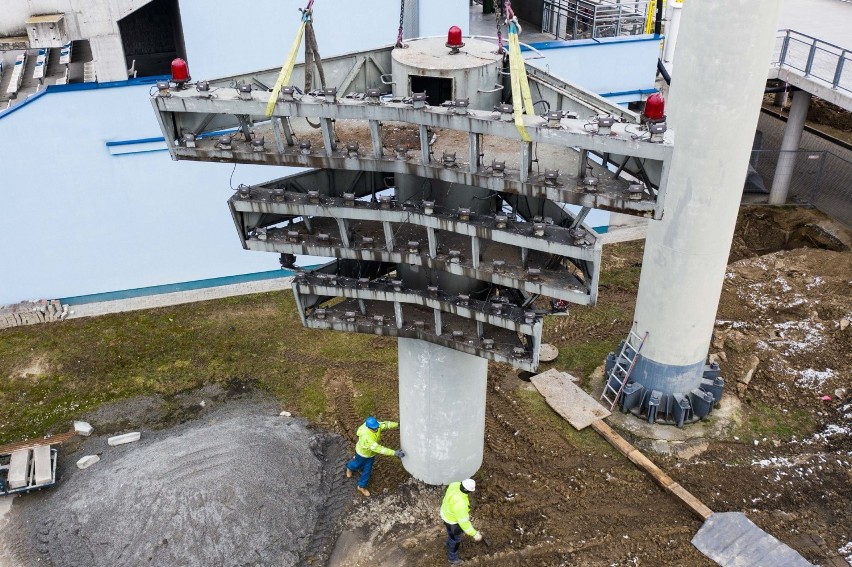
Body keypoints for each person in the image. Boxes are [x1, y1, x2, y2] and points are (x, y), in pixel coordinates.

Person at [345, 416, 405, 497]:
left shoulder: (376, 425)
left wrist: (397, 424)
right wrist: (394, 453)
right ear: (368, 427)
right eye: (374, 428)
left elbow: (385, 424)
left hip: (370, 455)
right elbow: (379, 449)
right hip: (362, 454)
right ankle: (349, 467)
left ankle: (361, 486)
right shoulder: (367, 438)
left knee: (367, 470)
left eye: (376, 427)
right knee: (356, 464)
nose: (376, 429)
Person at [440, 478, 482, 564]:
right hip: (453, 522)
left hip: (445, 514)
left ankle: (448, 543)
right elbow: (464, 523)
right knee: (455, 540)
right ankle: (453, 558)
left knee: (450, 534)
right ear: (468, 491)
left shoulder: (454, 484)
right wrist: (474, 534)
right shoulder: (461, 504)